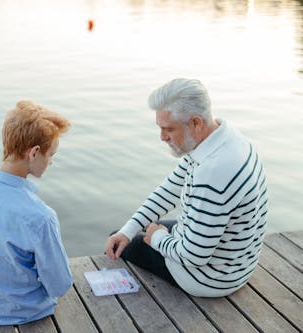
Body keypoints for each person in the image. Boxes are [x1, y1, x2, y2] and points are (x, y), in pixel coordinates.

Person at [105, 78, 268, 297]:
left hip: (207, 278)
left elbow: (194, 257)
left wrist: (158, 239)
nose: (162, 137)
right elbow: (168, 191)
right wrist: (129, 230)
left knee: (122, 241)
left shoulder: (213, 172)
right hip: (236, 264)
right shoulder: (223, 138)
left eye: (168, 129)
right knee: (128, 233)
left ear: (196, 123)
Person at [0, 100, 73, 325]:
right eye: (51, 154)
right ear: (35, 153)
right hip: (22, 312)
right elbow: (60, 285)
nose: (51, 162)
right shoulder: (41, 216)